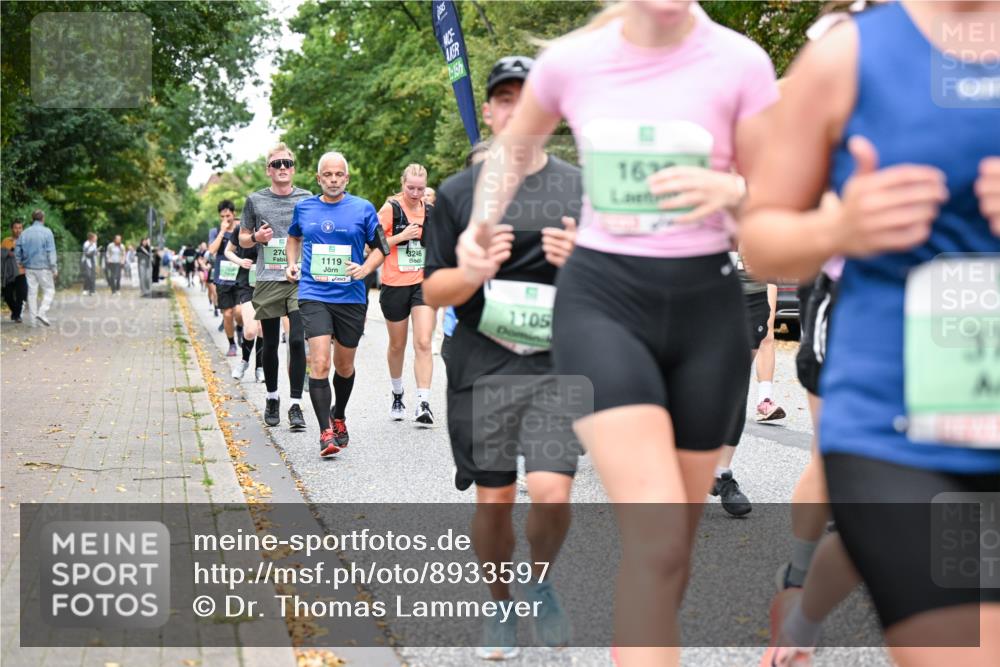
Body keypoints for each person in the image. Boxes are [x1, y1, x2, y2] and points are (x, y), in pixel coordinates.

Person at [469, 4, 778, 664]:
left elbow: (780, 197)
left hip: (708, 309)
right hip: (603, 301)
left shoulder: (742, 62)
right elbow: (513, 150)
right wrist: (479, 223)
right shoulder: (573, 61)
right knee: (657, 535)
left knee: (671, 555)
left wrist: (730, 189)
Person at [740, 2, 1000, 665]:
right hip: (899, 420)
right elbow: (763, 243)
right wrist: (836, 230)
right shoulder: (845, 54)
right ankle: (801, 592)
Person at [423, 54, 582, 660]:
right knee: (495, 497)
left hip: (555, 358)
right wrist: (469, 271)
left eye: (531, 97)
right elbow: (432, 289)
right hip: (483, 359)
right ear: (489, 111)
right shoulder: (459, 193)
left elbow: (618, 280)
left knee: (553, 492)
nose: (519, 110)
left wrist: (583, 263)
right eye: (505, 98)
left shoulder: (576, 186)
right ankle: (498, 605)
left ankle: (539, 585)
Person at [286, 151, 386, 456]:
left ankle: (338, 415)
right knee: (320, 363)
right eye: (327, 175)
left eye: (338, 175)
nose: (333, 180)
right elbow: (293, 238)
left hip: (351, 297)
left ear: (346, 178)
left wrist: (366, 269)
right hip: (314, 293)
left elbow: (382, 248)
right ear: (318, 179)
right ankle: (325, 434)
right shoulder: (304, 208)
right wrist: (292, 264)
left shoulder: (364, 209)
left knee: (344, 366)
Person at [238, 142, 312, 430]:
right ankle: (272, 398)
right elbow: (243, 238)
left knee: (296, 339)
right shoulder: (255, 200)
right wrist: (256, 237)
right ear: (268, 170)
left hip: (298, 277)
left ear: (293, 169)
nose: (283, 168)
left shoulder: (307, 199)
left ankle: (296, 404)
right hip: (268, 278)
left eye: (288, 164)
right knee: (269, 343)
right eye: (277, 164)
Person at [378, 163, 437, 424]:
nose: (415, 193)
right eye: (410, 187)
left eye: (420, 189)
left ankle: (423, 402)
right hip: (394, 284)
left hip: (423, 284)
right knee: (398, 345)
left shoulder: (432, 212)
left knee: (423, 342)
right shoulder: (391, 209)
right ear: (402, 183)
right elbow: (374, 245)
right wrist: (400, 236)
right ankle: (398, 392)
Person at [225, 228, 264, 382]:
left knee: (262, 329)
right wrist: (240, 261)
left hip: (267, 282)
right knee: (251, 330)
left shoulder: (270, 224)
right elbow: (228, 251)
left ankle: (259, 368)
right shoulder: (242, 228)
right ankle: (244, 361)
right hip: (246, 282)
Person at [15, 209, 60, 327]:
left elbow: (17, 248)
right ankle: (42, 312)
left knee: (32, 293)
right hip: (44, 267)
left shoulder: (25, 232)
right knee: (50, 290)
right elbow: (51, 251)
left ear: (32, 219)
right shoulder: (47, 232)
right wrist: (54, 268)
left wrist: (19, 261)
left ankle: (33, 322)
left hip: (29, 267)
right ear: (43, 219)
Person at [1, 219, 27, 322]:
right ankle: (16, 312)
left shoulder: (26, 241)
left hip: (21, 272)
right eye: (16, 228)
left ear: (22, 229)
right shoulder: (6, 241)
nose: (18, 230)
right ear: (12, 229)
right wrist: (8, 253)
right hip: (9, 273)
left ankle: (17, 315)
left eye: (20, 228)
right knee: (7, 295)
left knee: (21, 294)